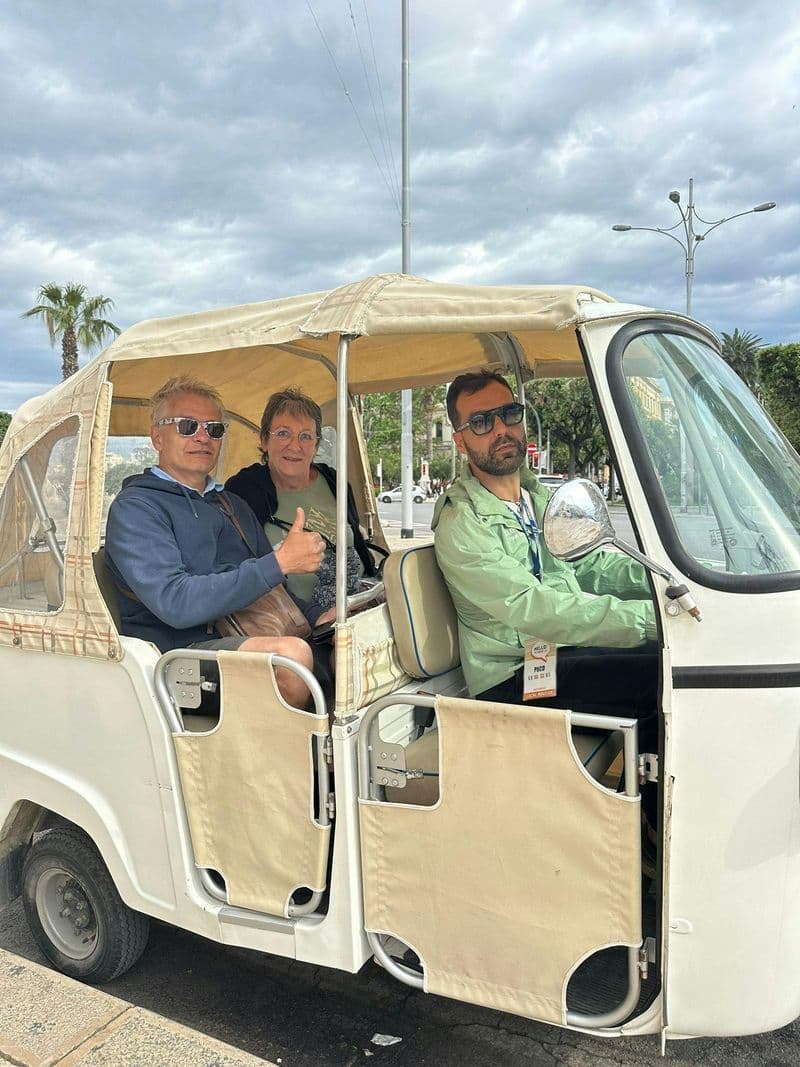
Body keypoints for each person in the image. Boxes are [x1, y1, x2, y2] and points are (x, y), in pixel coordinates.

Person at [432, 370, 659, 724]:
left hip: (556, 650)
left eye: (508, 414)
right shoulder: (462, 522)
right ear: (460, 442)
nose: (500, 430)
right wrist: (648, 619)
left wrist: (661, 581)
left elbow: (587, 564)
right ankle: (646, 781)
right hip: (512, 674)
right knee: (659, 675)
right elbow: (534, 608)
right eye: (480, 423)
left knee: (671, 655)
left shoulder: (536, 498)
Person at [105, 375, 326, 708]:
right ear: (157, 437)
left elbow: (274, 589)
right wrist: (279, 563)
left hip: (242, 632)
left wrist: (320, 615)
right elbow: (176, 604)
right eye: (187, 426)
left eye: (214, 429)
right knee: (289, 658)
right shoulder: (137, 509)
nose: (202, 437)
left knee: (345, 637)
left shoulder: (229, 504)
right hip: (179, 657)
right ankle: (289, 756)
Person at [225, 388, 380, 620]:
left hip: (357, 605)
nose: (295, 446)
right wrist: (316, 616)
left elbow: (358, 546)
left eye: (306, 436)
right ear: (264, 440)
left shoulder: (334, 482)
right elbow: (239, 572)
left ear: (316, 445)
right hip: (294, 621)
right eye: (283, 433)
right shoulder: (245, 490)